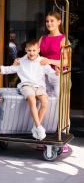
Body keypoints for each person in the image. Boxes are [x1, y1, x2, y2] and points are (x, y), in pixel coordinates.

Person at [0, 39, 58, 140]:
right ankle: (39, 127)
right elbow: (9, 69)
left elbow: (51, 73)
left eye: (34, 50)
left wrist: (56, 72)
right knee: (32, 99)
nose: (32, 53)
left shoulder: (43, 61)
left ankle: (36, 126)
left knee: (45, 102)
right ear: (26, 50)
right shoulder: (20, 61)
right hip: (26, 85)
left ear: (38, 50)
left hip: (39, 86)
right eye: (29, 50)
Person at [39, 10, 70, 152]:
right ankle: (44, 137)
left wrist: (50, 61)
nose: (49, 23)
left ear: (59, 22)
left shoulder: (64, 39)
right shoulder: (42, 38)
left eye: (52, 20)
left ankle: (63, 138)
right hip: (44, 76)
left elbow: (67, 61)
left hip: (59, 76)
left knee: (61, 106)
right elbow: (36, 56)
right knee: (46, 105)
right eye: (47, 21)